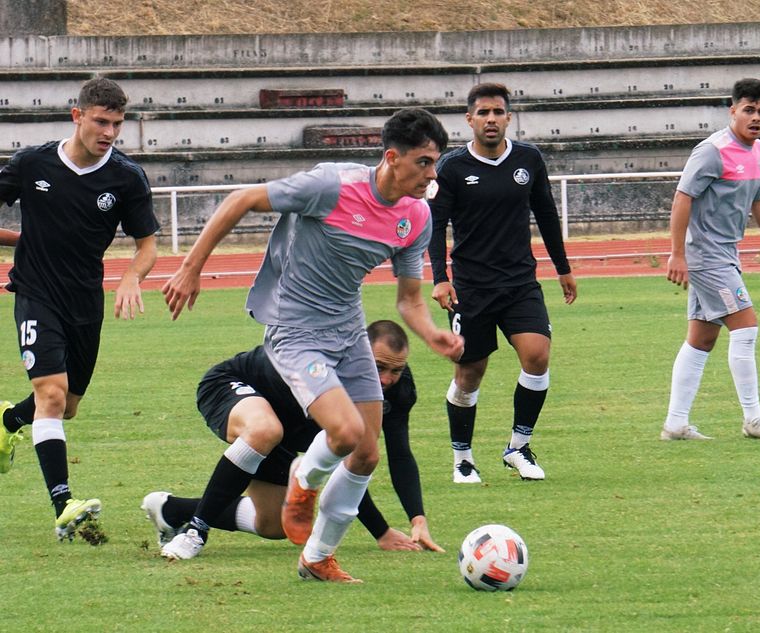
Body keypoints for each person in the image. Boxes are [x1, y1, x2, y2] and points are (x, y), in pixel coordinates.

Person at [160, 107, 463, 583]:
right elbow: (240, 198)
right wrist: (190, 268)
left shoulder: (416, 216)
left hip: (349, 331)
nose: (432, 174)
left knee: (366, 453)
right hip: (296, 330)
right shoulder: (331, 186)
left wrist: (433, 335)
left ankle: (318, 557)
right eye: (423, 162)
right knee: (344, 432)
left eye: (436, 163)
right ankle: (303, 477)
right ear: (391, 158)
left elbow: (409, 300)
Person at [0, 77, 159, 540]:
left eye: (117, 124)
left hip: (85, 301)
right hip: (35, 292)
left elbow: (148, 245)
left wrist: (131, 276)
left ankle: (9, 421)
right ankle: (64, 505)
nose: (109, 132)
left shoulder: (126, 177)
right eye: (101, 122)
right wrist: (24, 242)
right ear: (77, 116)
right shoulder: (33, 163)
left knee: (66, 406)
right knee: (51, 395)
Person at [142, 320, 444, 558]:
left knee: (274, 524)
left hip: (283, 429)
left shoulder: (396, 390)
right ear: (361, 354)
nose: (386, 379)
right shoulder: (327, 375)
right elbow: (341, 464)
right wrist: (381, 531)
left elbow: (396, 455)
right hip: (230, 386)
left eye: (396, 370)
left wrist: (417, 519)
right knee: (264, 429)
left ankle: (171, 510)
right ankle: (196, 532)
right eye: (378, 367)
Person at [428, 83, 577, 484]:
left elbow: (546, 213)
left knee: (537, 356)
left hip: (519, 283)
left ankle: (518, 447)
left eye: (497, 112)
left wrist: (562, 267)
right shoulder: (452, 168)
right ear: (469, 119)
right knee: (469, 374)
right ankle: (463, 458)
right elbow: (435, 225)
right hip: (471, 288)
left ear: (509, 117)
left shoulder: (529, 159)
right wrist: (440, 279)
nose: (490, 119)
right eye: (483, 113)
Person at [662, 78, 760, 441]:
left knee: (701, 339)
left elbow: (758, 201)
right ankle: (754, 417)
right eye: (749, 110)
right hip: (707, 258)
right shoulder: (712, 151)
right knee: (746, 327)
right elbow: (682, 198)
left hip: (724, 255)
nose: (756, 118)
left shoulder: (757, 150)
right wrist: (677, 254)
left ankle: (675, 424)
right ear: (733, 111)